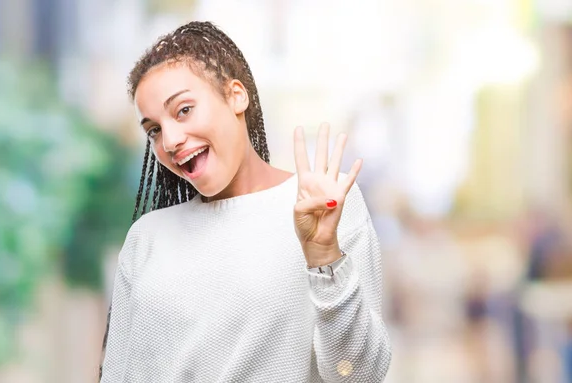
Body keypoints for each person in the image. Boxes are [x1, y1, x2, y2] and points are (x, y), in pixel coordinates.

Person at [99, 20, 392, 382]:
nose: (170, 140)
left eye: (184, 110)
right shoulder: (146, 239)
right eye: (154, 130)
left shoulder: (322, 208)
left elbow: (358, 375)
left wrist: (324, 259)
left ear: (236, 95)